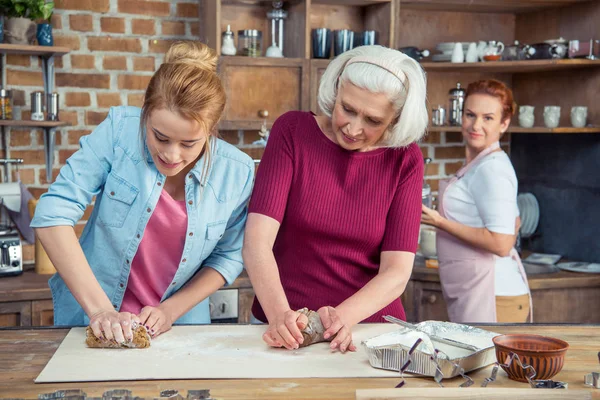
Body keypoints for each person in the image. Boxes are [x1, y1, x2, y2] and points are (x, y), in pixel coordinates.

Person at [31, 41, 254, 343]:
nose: (172, 155)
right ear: (145, 113)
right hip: (93, 319)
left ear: (212, 130)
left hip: (181, 328)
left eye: (189, 144)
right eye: (160, 137)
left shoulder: (237, 172)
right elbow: (52, 214)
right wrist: (101, 311)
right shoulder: (120, 131)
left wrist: (170, 310)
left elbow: (228, 257)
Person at [243, 45, 428, 353]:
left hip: (366, 333)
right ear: (336, 88)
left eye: (373, 120)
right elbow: (256, 242)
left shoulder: (405, 159)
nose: (353, 128)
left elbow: (396, 271)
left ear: (395, 120)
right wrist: (281, 317)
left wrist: (344, 318)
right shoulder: (292, 131)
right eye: (348, 109)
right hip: (281, 326)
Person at [421, 79, 531, 324]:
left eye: (488, 118)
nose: (476, 125)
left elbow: (501, 244)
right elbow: (511, 222)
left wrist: (440, 222)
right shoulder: (479, 163)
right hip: (476, 291)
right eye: (470, 115)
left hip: (494, 296)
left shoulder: (492, 169)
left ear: (504, 123)